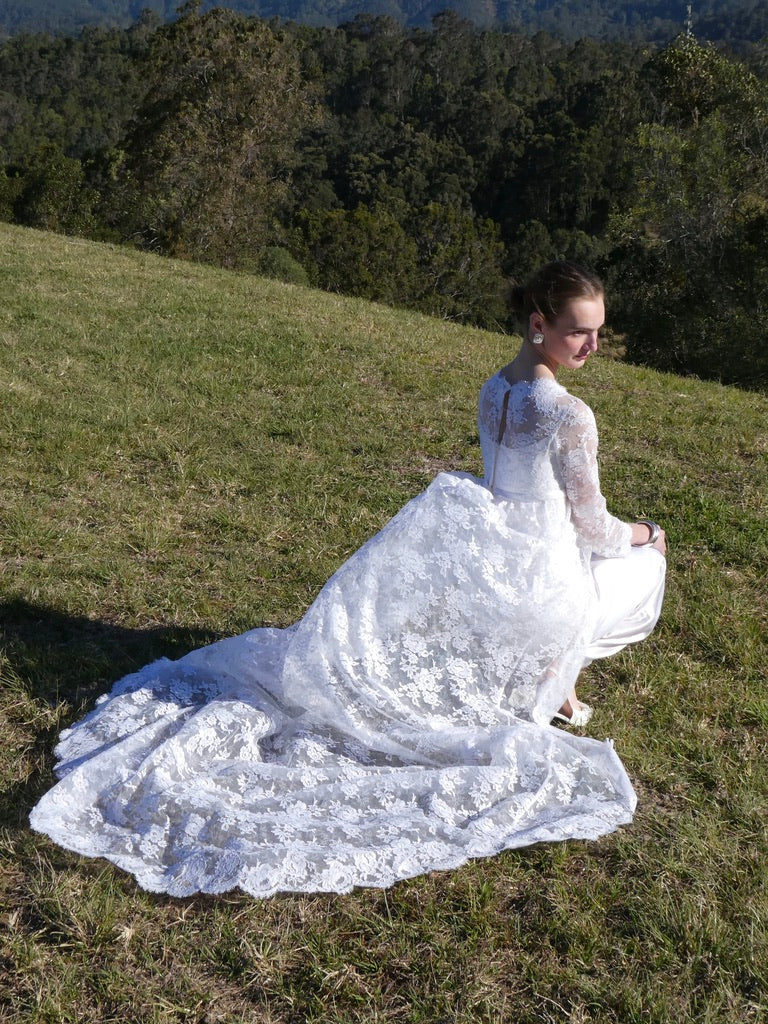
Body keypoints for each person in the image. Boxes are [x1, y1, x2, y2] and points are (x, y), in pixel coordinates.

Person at [30, 262, 666, 898]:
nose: (592, 345)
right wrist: (646, 533)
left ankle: (557, 683)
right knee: (639, 571)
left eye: (598, 332)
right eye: (579, 331)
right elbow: (593, 527)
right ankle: (559, 672)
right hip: (538, 573)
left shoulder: (496, 386)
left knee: (590, 572)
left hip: (495, 553)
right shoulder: (569, 413)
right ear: (538, 324)